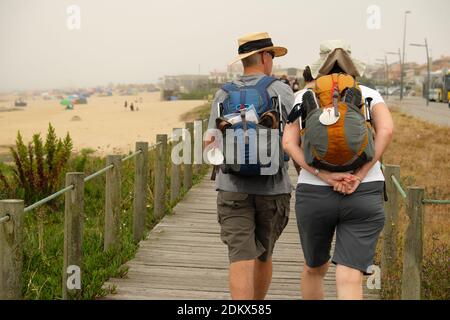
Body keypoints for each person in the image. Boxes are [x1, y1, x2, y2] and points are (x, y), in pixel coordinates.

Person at [282, 40, 394, 300]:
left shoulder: (302, 97)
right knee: (349, 275)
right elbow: (386, 130)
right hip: (364, 191)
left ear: (319, 67)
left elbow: (288, 142)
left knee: (314, 268)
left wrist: (324, 175)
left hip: (315, 194)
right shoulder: (369, 93)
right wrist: (361, 174)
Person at [205, 32, 294, 300]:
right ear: (266, 57)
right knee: (264, 256)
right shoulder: (281, 90)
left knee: (240, 258)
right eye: (273, 56)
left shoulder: (223, 94)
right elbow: (296, 139)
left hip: (232, 189)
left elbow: (210, 143)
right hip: (273, 188)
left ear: (244, 60)